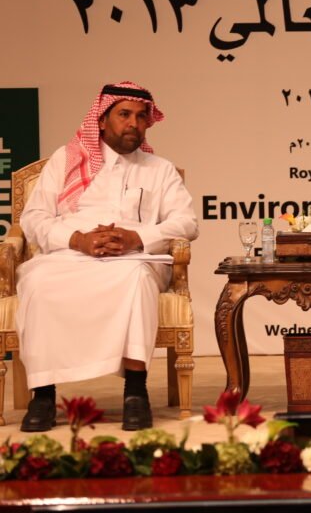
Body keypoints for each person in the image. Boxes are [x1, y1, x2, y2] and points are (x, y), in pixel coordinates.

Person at [16, 82, 198, 432]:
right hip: (69, 256)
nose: (134, 123)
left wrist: (136, 238)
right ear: (101, 120)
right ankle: (43, 396)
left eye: (141, 116)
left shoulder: (159, 169)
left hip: (133, 260)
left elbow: (186, 222)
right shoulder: (65, 160)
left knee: (136, 280)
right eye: (124, 114)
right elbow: (34, 218)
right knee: (37, 282)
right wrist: (78, 240)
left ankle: (135, 392)